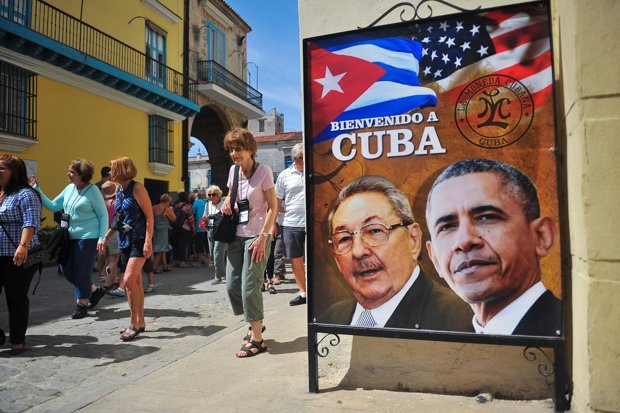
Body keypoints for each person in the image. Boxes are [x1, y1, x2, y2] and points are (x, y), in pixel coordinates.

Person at [425, 158, 561, 336]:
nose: (464, 241)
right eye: (447, 227)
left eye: (486, 217)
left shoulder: (577, 334)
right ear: (434, 258)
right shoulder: (447, 346)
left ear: (541, 236)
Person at [319, 175, 473, 331]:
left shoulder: (464, 322)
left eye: (375, 230)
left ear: (413, 240)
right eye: (344, 239)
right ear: (336, 258)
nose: (358, 251)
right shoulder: (331, 318)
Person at [221, 128, 277, 358]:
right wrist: (226, 202)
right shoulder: (233, 171)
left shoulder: (263, 171)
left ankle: (257, 338)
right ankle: (257, 321)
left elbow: (274, 207)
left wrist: (264, 237)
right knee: (232, 286)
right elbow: (229, 195)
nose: (234, 153)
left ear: (250, 149)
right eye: (231, 149)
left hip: (257, 236)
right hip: (236, 234)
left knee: (249, 287)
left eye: (239, 148)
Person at [32, 159, 108, 319]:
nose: (68, 174)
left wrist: (102, 238)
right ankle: (95, 290)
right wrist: (37, 189)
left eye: (72, 172)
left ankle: (82, 304)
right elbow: (53, 205)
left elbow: (103, 215)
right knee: (66, 270)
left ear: (82, 174)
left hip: (88, 237)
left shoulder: (93, 190)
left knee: (82, 270)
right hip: (68, 236)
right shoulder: (68, 188)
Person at [98, 157, 153, 341]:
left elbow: (149, 217)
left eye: (113, 169)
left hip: (139, 240)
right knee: (135, 282)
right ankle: (141, 321)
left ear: (121, 170)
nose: (110, 173)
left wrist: (148, 241)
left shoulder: (137, 188)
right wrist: (106, 237)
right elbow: (118, 218)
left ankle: (133, 323)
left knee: (128, 280)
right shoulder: (120, 190)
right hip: (125, 241)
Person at [0, 155, 42, 354]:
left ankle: (17, 340)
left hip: (18, 256)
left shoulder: (26, 194)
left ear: (14, 171)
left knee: (15, 298)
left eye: (2, 168)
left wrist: (23, 246)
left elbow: (30, 221)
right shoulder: (1, 193)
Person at [275, 143, 307, 306]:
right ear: (294, 158)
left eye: (304, 156)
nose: (302, 160)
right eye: (299, 158)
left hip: (312, 222)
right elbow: (276, 201)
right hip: (291, 223)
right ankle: (303, 292)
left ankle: (317, 291)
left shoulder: (313, 171)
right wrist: (276, 221)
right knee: (295, 259)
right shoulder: (284, 175)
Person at [100, 181, 123, 297]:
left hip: (103, 231)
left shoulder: (102, 201)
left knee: (109, 259)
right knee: (114, 259)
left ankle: (113, 280)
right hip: (113, 232)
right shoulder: (116, 201)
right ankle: (107, 283)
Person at [201, 185, 226, 284]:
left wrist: (210, 217)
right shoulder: (207, 205)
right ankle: (223, 272)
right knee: (212, 253)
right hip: (210, 229)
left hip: (220, 230)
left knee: (217, 253)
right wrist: (204, 219)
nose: (211, 197)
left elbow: (222, 216)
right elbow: (204, 215)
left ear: (218, 195)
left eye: (214, 194)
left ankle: (218, 276)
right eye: (209, 195)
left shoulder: (223, 204)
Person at [152, 193, 176, 274]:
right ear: (168, 201)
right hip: (163, 230)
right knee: (161, 249)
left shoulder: (154, 207)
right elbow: (174, 219)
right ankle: (154, 267)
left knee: (162, 248)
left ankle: (165, 266)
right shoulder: (166, 209)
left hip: (155, 229)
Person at [171, 192, 194, 268]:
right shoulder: (188, 206)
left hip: (175, 227)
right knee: (183, 245)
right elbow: (191, 218)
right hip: (185, 227)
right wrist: (193, 228)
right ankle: (182, 262)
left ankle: (175, 261)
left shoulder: (175, 206)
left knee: (175, 244)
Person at [192, 190, 209, 266]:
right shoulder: (209, 202)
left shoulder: (197, 202)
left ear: (198, 196)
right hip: (208, 227)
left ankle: (201, 261)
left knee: (199, 245)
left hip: (200, 227)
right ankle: (209, 261)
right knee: (207, 244)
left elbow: (192, 212)